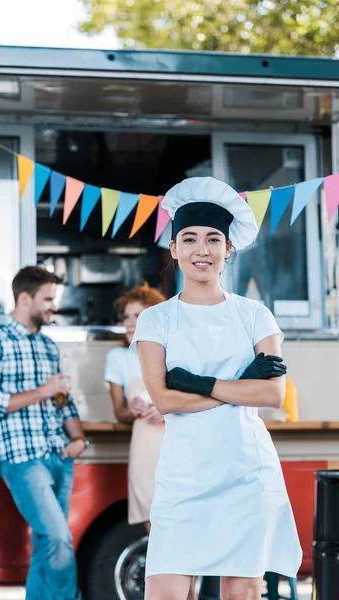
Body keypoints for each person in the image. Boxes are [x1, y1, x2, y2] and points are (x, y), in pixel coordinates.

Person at [131, 177, 302, 600]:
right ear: (173, 249)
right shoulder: (156, 320)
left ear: (228, 249)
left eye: (213, 240)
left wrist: (196, 382)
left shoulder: (254, 315)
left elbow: (272, 395)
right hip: (183, 476)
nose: (201, 250)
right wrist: (241, 381)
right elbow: (166, 400)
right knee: (165, 593)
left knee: (242, 591)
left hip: (246, 471)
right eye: (189, 239)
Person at [0, 265, 88, 600]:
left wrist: (78, 439)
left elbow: (62, 401)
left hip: (58, 455)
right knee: (57, 538)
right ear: (25, 298)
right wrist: (43, 390)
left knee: (44, 544)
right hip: (21, 458)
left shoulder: (48, 346)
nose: (54, 306)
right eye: (48, 299)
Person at [104, 283, 166, 531]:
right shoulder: (117, 358)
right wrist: (132, 410)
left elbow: (196, 402)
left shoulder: (174, 353)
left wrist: (167, 409)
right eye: (126, 317)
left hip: (177, 444)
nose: (129, 323)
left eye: (138, 316)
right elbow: (119, 412)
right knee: (153, 523)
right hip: (144, 449)